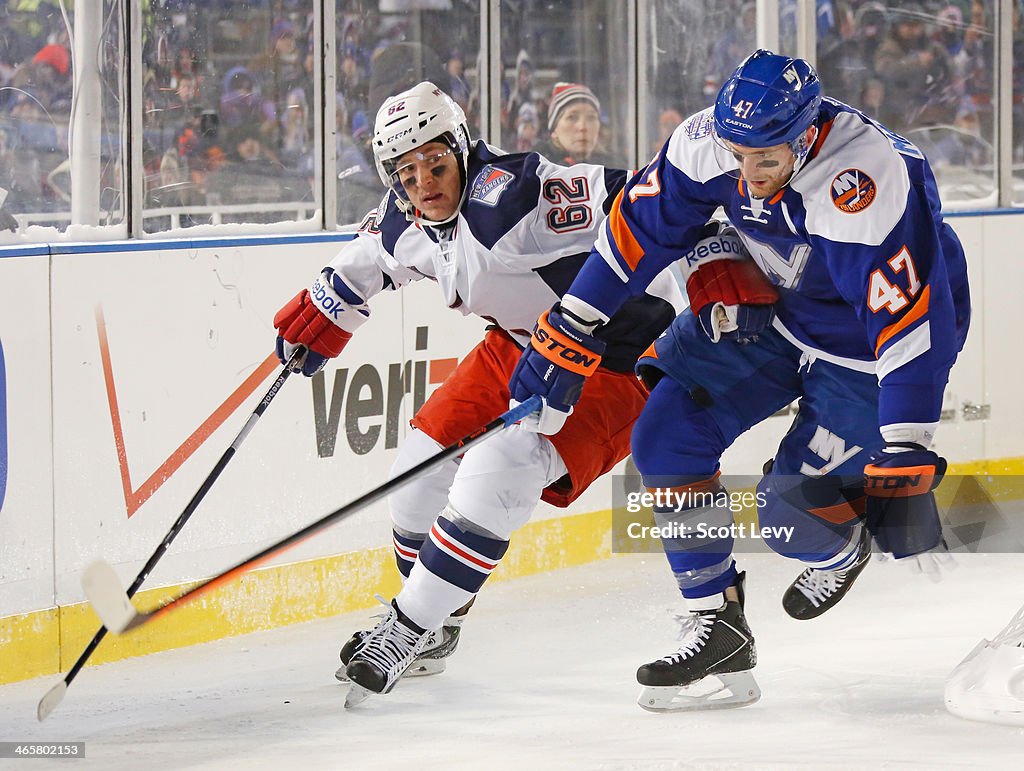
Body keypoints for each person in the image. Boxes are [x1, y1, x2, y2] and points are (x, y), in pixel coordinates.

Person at [273, 82, 769, 706]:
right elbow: (366, 262)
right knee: (416, 473)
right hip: (518, 344)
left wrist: (719, 262)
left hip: (613, 360)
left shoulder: (520, 198)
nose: (423, 181)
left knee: (501, 461)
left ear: (460, 148)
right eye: (405, 171)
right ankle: (436, 628)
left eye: (435, 161)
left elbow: (658, 195)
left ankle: (407, 626)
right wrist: (326, 308)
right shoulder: (407, 218)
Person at [508, 50, 971, 712]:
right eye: (738, 156)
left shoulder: (863, 180)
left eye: (767, 161)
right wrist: (573, 321)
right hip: (778, 315)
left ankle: (844, 542)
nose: (749, 177)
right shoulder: (707, 141)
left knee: (789, 517)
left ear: (807, 136)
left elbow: (907, 320)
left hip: (866, 348)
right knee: (664, 437)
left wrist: (906, 441)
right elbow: (638, 227)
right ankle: (717, 624)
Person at [533, 82, 613, 166]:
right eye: (572, 117)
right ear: (554, 130)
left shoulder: (616, 170)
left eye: (591, 117)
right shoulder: (536, 169)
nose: (582, 127)